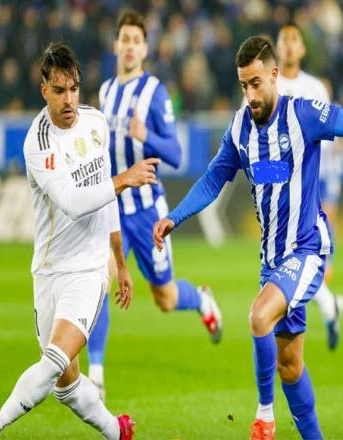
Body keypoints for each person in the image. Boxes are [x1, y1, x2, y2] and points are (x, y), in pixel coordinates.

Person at [154, 36, 343, 439]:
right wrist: (175, 216)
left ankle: (264, 417)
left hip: (307, 249)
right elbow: (214, 178)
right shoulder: (240, 128)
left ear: (274, 75)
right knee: (290, 367)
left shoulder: (302, 114)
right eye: (244, 85)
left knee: (258, 317)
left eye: (256, 83)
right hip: (272, 261)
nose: (250, 95)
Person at [0, 42, 160, 440]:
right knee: (64, 382)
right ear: (44, 90)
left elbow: (105, 197)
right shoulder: (38, 143)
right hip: (48, 271)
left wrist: (119, 262)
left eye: (74, 89)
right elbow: (73, 202)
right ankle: (117, 431)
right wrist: (124, 179)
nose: (69, 99)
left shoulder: (95, 123)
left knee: (55, 359)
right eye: (59, 91)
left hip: (89, 269)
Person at [86, 9, 222, 398]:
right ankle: (96, 375)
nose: (129, 46)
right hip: (113, 208)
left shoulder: (154, 92)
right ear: (115, 45)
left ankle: (201, 299)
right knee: (99, 281)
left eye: (136, 41)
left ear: (145, 49)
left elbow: (176, 154)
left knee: (165, 297)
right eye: (124, 39)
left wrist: (145, 135)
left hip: (147, 212)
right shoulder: (106, 91)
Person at [276, 22, 343, 350]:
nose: (289, 45)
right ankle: (330, 306)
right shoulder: (269, 85)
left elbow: (331, 139)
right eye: (284, 39)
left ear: (302, 49)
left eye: (294, 40)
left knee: (294, 257)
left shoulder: (315, 88)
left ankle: (324, 308)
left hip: (313, 179)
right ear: (277, 47)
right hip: (280, 182)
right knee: (288, 257)